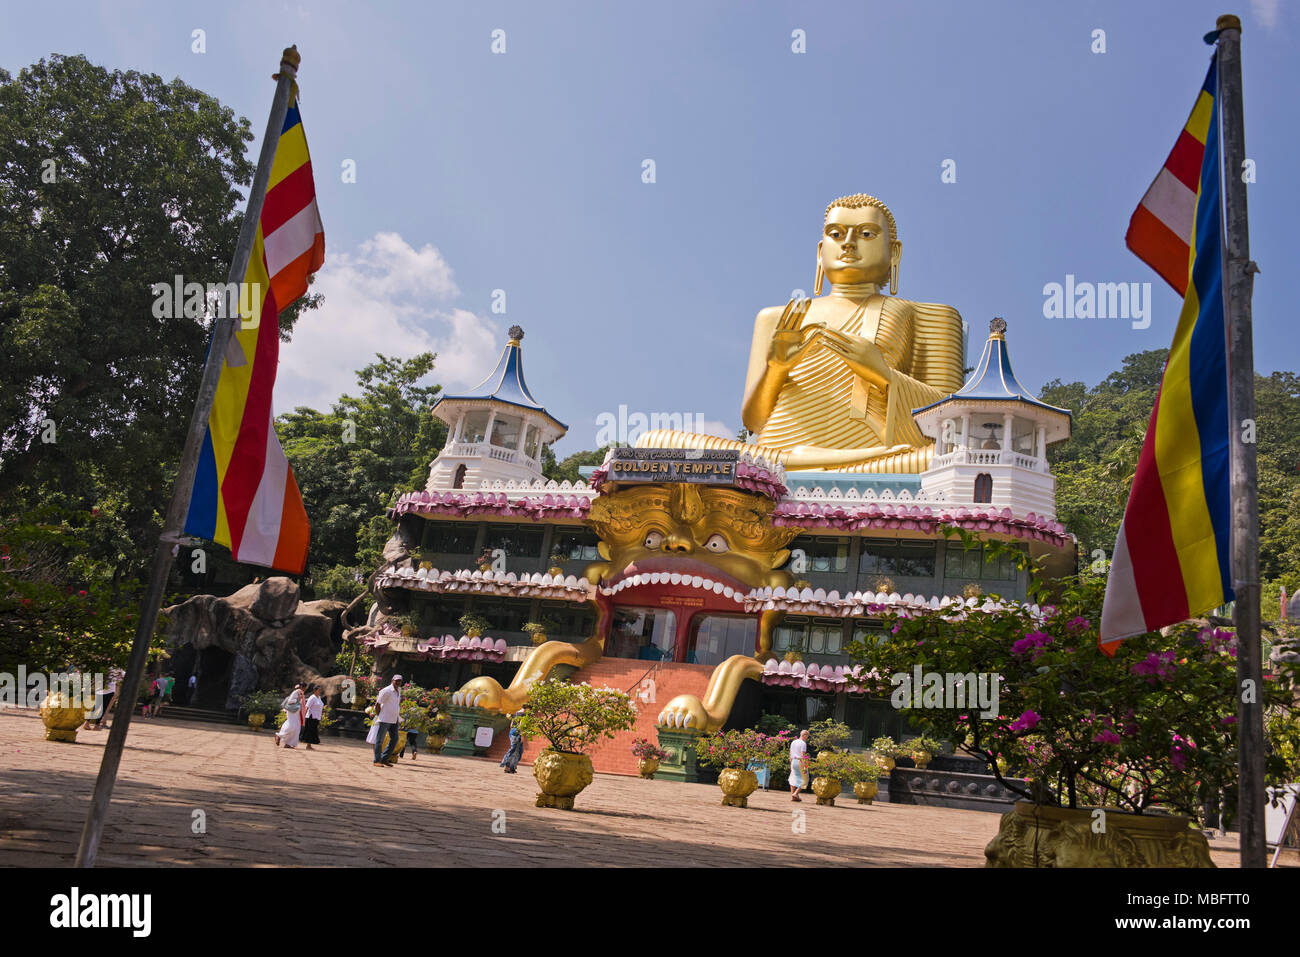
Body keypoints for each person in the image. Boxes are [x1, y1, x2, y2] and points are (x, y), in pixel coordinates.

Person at [372, 674, 403, 767]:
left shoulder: (399, 690)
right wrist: (379, 715)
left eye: (399, 681)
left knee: (395, 739)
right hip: (385, 718)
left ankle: (384, 758)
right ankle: (377, 760)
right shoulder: (386, 690)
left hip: (394, 718)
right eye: (396, 680)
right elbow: (378, 704)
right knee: (379, 740)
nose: (398, 682)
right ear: (392, 680)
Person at [789, 730, 810, 802]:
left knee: (793, 778)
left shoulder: (793, 742)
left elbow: (790, 753)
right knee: (805, 779)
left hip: (793, 761)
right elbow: (803, 755)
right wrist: (805, 765)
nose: (807, 738)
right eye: (807, 736)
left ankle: (793, 797)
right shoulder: (803, 743)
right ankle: (796, 793)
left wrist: (791, 762)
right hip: (800, 761)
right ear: (804, 735)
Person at [301, 685, 323, 751]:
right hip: (311, 717)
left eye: (320, 690)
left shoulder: (319, 697)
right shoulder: (312, 697)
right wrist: (304, 717)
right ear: (315, 690)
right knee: (309, 731)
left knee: (313, 731)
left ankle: (309, 745)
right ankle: (308, 745)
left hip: (316, 717)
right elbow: (307, 707)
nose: (320, 691)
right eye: (319, 690)